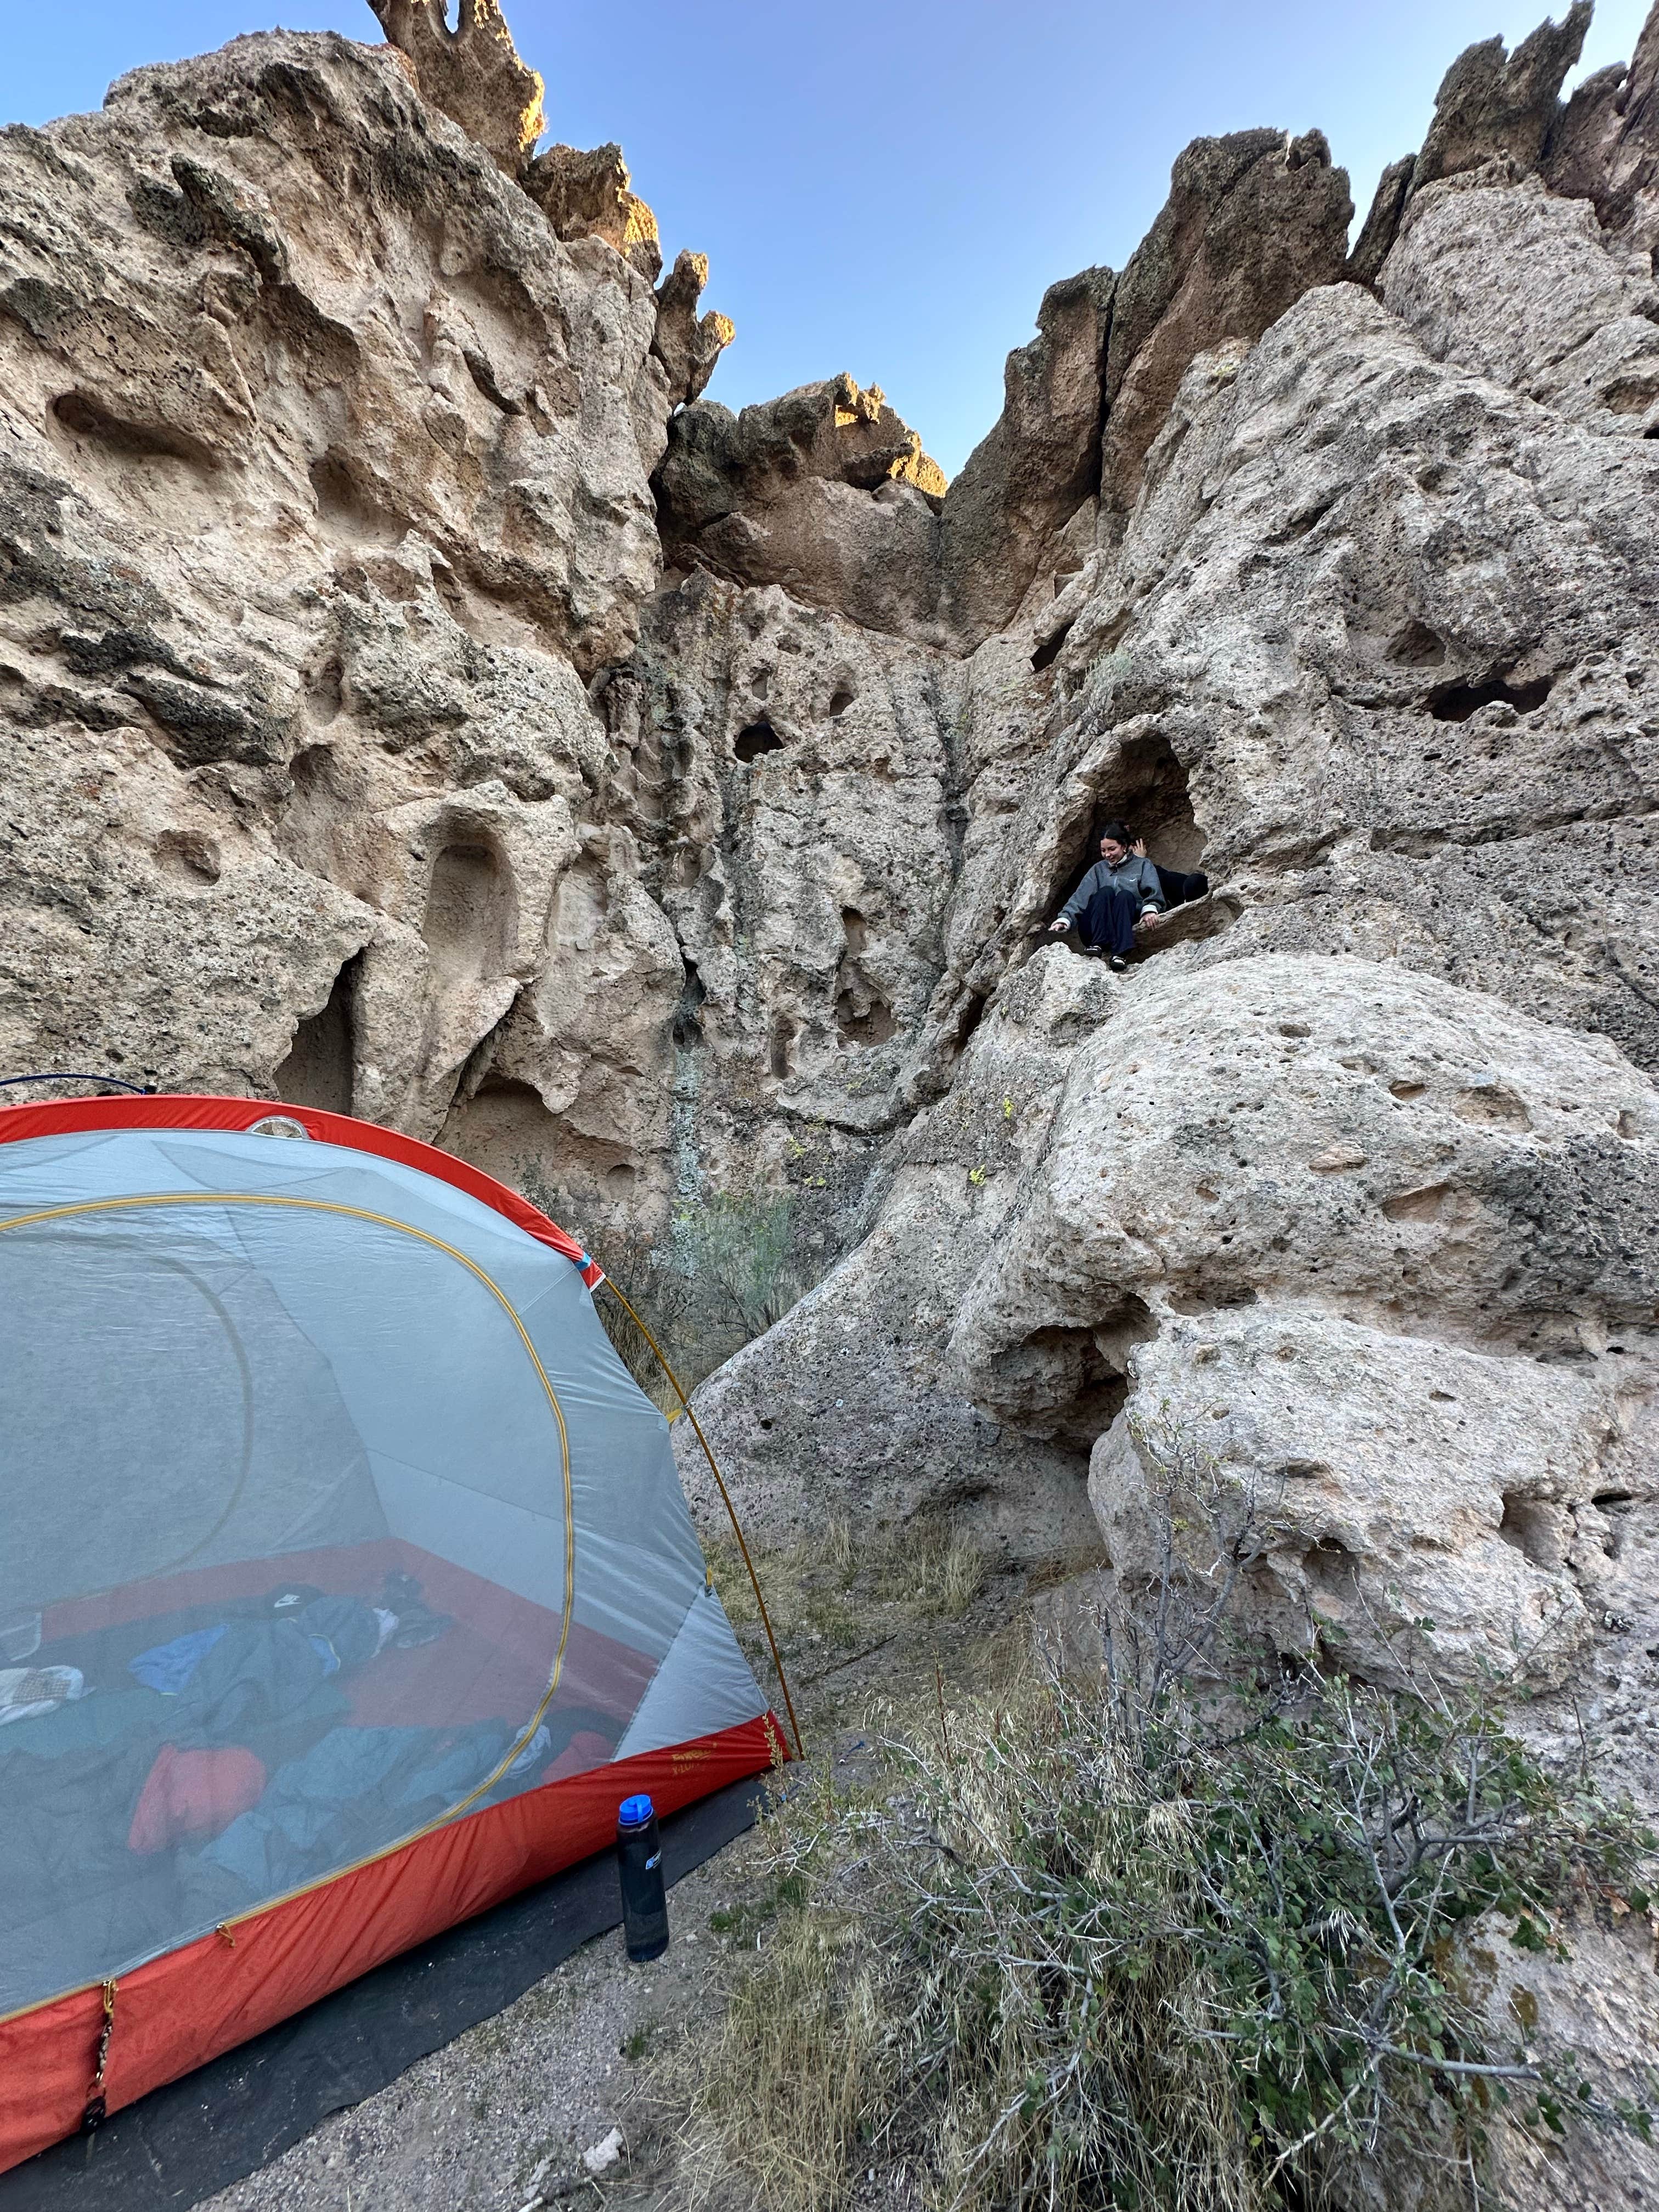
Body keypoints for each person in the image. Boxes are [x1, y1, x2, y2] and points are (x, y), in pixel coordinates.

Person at [1047, 821, 1166, 970]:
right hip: (1094, 931)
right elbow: (1080, 897)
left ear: (1124, 846)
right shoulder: (1098, 870)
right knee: (1105, 892)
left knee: (1125, 896)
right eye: (1103, 850)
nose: (1107, 855)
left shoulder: (1143, 865)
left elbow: (1154, 891)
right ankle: (1098, 944)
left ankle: (1120, 954)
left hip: (1124, 922)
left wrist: (1150, 909)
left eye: (1112, 849)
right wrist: (1065, 919)